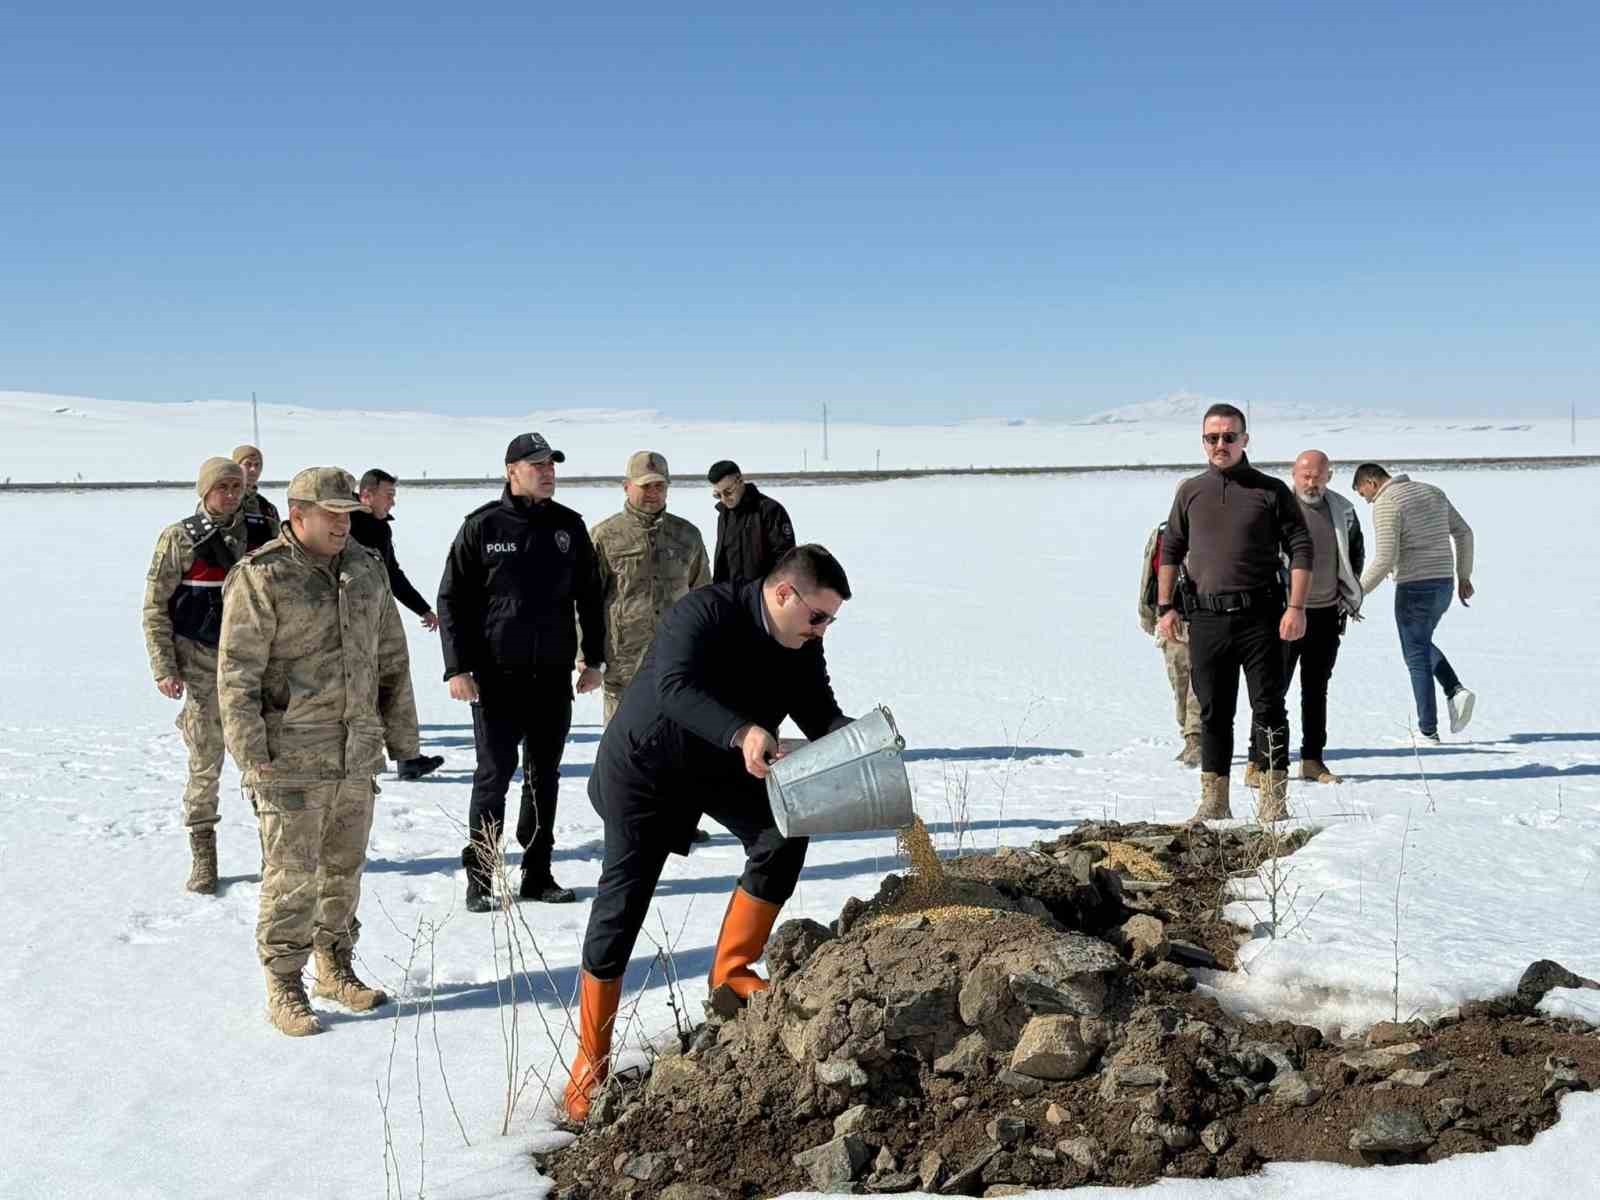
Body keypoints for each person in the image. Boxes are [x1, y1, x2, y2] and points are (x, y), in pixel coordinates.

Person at [562, 544, 854, 1123]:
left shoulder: (802, 643)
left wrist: (854, 738)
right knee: (625, 902)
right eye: (818, 616)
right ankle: (590, 1062)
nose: (822, 630)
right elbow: (674, 688)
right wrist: (743, 730)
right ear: (783, 593)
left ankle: (731, 977)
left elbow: (817, 709)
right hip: (646, 768)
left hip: (721, 767)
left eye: (830, 621)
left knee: (782, 833)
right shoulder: (704, 612)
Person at [217, 467, 420, 1037]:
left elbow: (391, 657)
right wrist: (250, 751)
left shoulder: (366, 569)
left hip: (355, 750)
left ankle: (334, 964)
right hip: (290, 755)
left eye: (348, 514)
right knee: (291, 875)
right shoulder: (263, 576)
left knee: (343, 869)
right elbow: (236, 672)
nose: (342, 525)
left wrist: (402, 738)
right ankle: (285, 981)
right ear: (297, 514)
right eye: (330, 515)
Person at [437, 433, 605, 912]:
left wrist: (593, 659)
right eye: (537, 465)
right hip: (495, 677)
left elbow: (591, 598)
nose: (548, 472)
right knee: (493, 776)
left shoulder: (569, 527)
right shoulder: (482, 526)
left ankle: (538, 873)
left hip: (550, 675)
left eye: (552, 465)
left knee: (543, 777)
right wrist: (457, 668)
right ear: (512, 470)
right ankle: (481, 876)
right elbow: (452, 600)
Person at [1156, 404, 1312, 823]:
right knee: (1213, 712)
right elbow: (1171, 549)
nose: (1221, 444)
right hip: (1207, 619)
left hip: (1262, 617)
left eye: (1229, 436)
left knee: (1269, 708)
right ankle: (1214, 801)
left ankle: (1273, 802)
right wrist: (1166, 607)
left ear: (1245, 440)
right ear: (1203, 442)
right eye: (1213, 438)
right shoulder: (1191, 491)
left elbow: (1301, 548)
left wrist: (1296, 607)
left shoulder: (1270, 490)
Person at [142, 456, 260, 893]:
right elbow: (155, 608)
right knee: (205, 764)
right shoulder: (180, 538)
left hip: (253, 668)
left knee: (262, 762)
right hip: (200, 666)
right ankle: (204, 856)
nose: (230, 495)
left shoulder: (262, 532)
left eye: (236, 487)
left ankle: (277, 849)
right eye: (222, 487)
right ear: (204, 491)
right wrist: (164, 668)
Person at [1353, 463, 1476, 743]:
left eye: (1363, 494)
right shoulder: (1433, 492)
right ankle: (1454, 691)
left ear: (1371, 482)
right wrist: (1464, 576)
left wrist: (1356, 594)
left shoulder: (1386, 502)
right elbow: (1464, 533)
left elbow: (1384, 559)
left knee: (1415, 655)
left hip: (1414, 588)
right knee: (1419, 644)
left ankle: (1428, 731)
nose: (1367, 500)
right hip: (1444, 585)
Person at [589, 451, 711, 724]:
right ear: (626, 486)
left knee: (676, 741)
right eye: (645, 486)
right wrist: (587, 657)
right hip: (624, 666)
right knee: (621, 743)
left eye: (660, 486)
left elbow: (703, 597)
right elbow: (586, 603)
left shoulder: (687, 535)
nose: (653, 493)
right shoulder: (604, 536)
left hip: (677, 662)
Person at [1268, 451, 1366, 784]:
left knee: (1316, 689)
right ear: (1293, 474)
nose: (1312, 483)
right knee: (1272, 690)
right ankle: (1262, 760)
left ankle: (1313, 759)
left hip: (1326, 614)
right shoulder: (1276, 508)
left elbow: (1355, 555)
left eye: (1318, 477)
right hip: (1283, 614)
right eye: (1306, 476)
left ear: (1329, 477)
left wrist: (1345, 595)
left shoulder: (1343, 511)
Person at [350, 468, 444, 782]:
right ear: (366, 495)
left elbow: (392, 573)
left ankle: (408, 757)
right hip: (351, 622)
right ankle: (363, 761)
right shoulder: (344, 524)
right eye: (388, 495)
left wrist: (422, 608)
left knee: (396, 679)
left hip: (380, 616)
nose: (393, 502)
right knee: (362, 689)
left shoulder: (380, 528)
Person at [1138, 522, 1202, 767]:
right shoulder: (1162, 535)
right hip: (1170, 620)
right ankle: (1188, 733)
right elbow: (1148, 576)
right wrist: (1147, 613)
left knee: (1200, 681)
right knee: (1179, 682)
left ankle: (1196, 737)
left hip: (1204, 619)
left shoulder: (1210, 530)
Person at [709, 460, 796, 585]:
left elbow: (786, 560)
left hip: (761, 593)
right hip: (730, 593)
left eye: (728, 492)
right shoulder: (724, 515)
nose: (723, 499)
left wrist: (766, 591)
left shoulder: (770, 511)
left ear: (739, 480)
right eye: (718, 495)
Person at [231, 444, 282, 543]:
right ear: (236, 466)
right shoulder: (224, 502)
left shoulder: (267, 508)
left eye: (257, 465)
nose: (253, 469)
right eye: (248, 464)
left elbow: (278, 542)